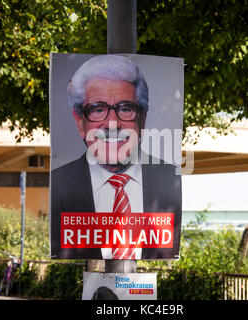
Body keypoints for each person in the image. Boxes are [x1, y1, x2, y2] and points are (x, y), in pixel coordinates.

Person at [50, 55, 181, 260]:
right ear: (79, 122)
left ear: (142, 119)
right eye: (98, 109)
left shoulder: (170, 178)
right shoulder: (57, 185)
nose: (112, 123)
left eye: (125, 108)